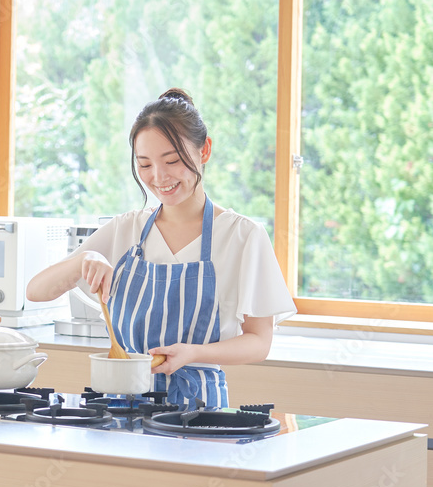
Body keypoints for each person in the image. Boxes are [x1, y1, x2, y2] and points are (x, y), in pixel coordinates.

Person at [26, 88, 297, 409]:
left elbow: (259, 342)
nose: (159, 177)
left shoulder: (242, 235)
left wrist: (194, 353)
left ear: (205, 150)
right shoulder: (126, 229)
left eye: (172, 160)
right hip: (120, 406)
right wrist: (84, 259)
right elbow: (36, 292)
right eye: (144, 164)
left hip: (200, 412)